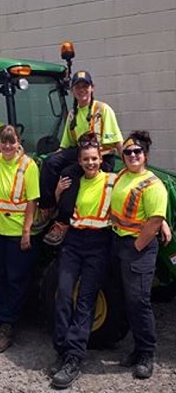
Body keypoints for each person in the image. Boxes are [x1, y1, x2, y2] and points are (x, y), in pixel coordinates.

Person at [49, 132, 115, 389]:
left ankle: (74, 358)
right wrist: (56, 193)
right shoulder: (72, 181)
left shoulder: (111, 181)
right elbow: (62, 210)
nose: (90, 163)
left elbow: (134, 194)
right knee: (64, 294)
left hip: (98, 244)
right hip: (74, 242)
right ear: (79, 160)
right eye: (86, 159)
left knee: (86, 300)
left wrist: (161, 220)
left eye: (94, 159)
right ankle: (62, 350)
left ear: (101, 159)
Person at [34, 70, 123, 245]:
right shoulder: (72, 115)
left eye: (85, 86)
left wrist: (129, 165)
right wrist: (53, 160)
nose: (82, 90)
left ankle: (63, 221)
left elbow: (118, 141)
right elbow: (65, 145)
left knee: (69, 174)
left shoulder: (103, 110)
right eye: (78, 87)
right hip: (80, 154)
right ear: (73, 91)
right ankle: (47, 207)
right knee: (50, 162)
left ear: (92, 88)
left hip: (101, 158)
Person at [110, 130, 168, 379]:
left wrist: (135, 248)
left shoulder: (153, 185)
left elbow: (154, 221)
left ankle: (146, 353)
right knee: (129, 301)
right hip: (121, 242)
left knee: (139, 302)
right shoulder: (123, 174)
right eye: (128, 152)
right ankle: (137, 349)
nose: (132, 155)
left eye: (137, 152)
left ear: (145, 155)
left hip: (138, 248)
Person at [0, 125, 40, 354]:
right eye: (3, 142)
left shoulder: (28, 166)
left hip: (18, 233)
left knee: (16, 280)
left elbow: (32, 201)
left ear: (18, 143)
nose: (7, 146)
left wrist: (26, 231)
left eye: (11, 142)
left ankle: (7, 326)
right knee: (2, 278)